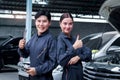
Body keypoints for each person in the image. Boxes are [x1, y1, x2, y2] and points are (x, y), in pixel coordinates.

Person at [18, 10, 57, 80]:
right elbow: (25, 54)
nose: (41, 24)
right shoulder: (33, 38)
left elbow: (53, 62)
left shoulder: (51, 40)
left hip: (45, 78)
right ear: (35, 22)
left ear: (49, 23)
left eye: (44, 21)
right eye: (39, 21)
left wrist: (37, 70)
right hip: (32, 77)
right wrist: (22, 48)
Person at [57, 13, 92, 80]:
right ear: (60, 24)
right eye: (65, 23)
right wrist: (74, 48)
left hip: (79, 75)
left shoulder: (74, 39)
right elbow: (61, 61)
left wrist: (79, 57)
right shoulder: (60, 40)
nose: (67, 26)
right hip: (69, 76)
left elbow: (89, 54)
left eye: (70, 24)